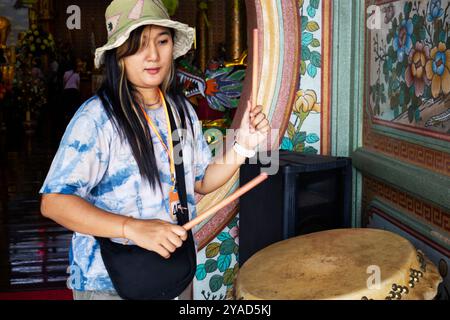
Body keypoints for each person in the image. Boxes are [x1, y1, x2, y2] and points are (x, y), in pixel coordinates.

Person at [39, 0, 270, 300]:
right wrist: (132, 228)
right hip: (107, 282)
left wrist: (244, 145)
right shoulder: (97, 118)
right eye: (139, 45)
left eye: (162, 41)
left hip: (172, 272)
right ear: (118, 54)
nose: (153, 55)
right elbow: (54, 202)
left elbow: (202, 180)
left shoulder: (180, 111)